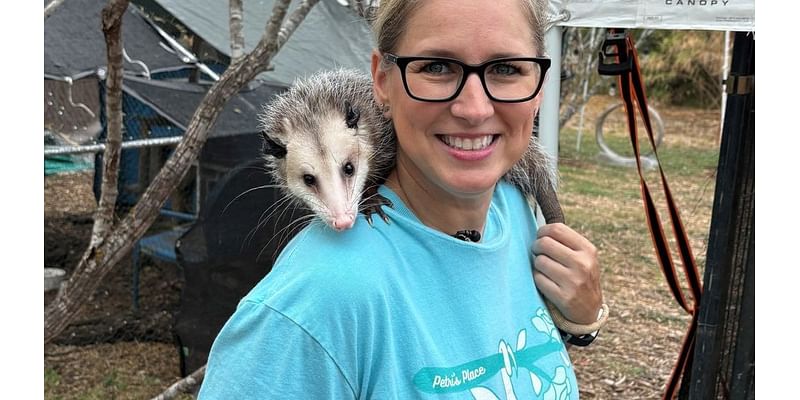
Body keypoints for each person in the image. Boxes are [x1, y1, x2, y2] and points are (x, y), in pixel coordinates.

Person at [198, 0, 605, 398]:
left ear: (538, 87)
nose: (474, 109)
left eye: (506, 68)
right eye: (436, 66)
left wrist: (582, 323)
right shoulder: (314, 306)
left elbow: (509, 368)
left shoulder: (513, 206)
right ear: (381, 81)